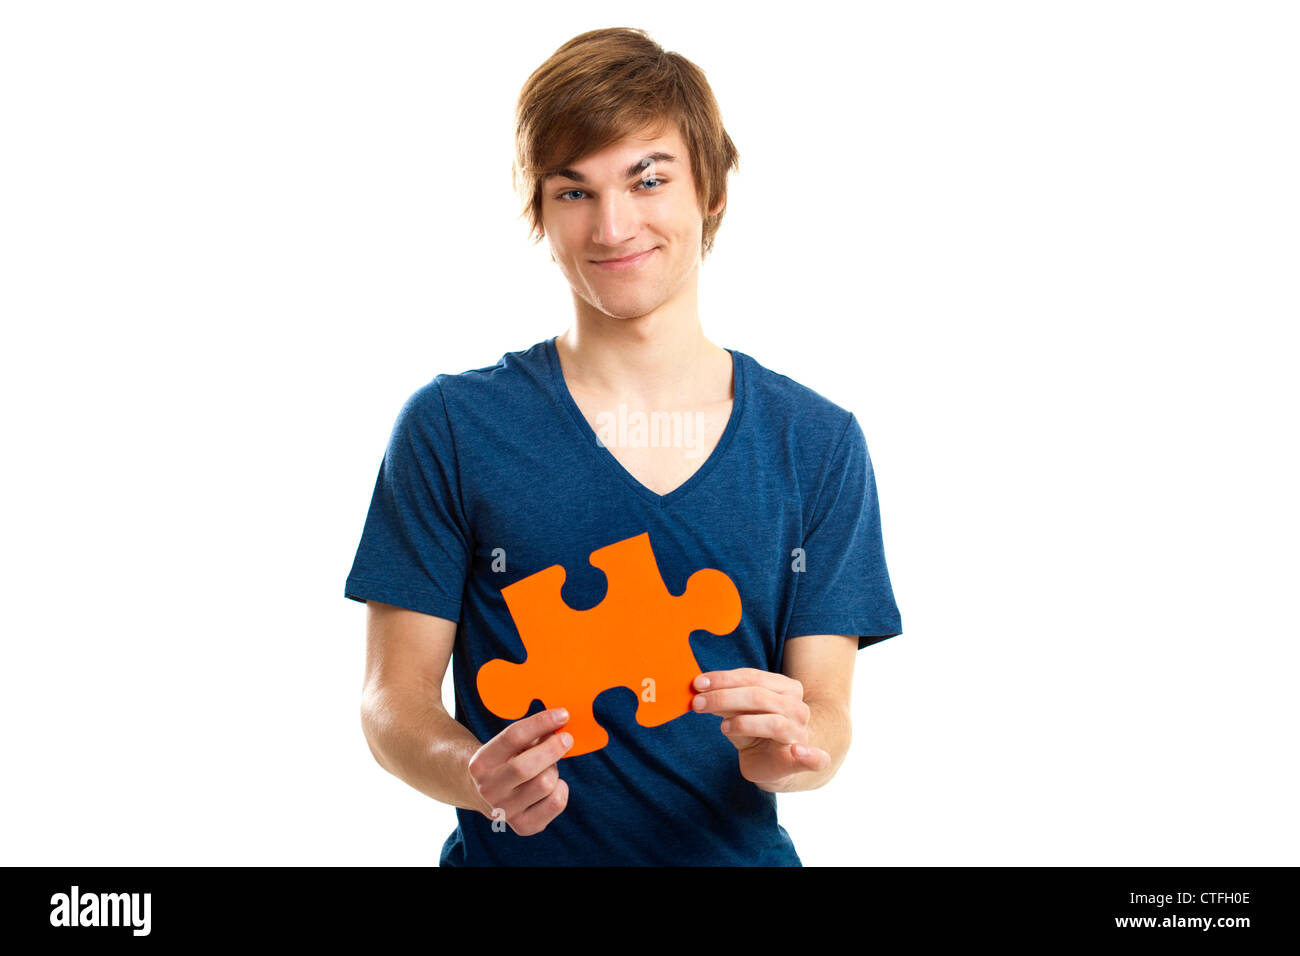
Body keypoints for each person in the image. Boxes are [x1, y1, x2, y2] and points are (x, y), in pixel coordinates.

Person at [344, 27, 902, 866]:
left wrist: (787, 747)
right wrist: (477, 774)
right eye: (573, 192)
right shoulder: (452, 427)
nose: (613, 226)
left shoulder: (817, 443)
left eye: (648, 180)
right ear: (539, 210)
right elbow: (392, 703)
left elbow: (828, 711)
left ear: (710, 190)